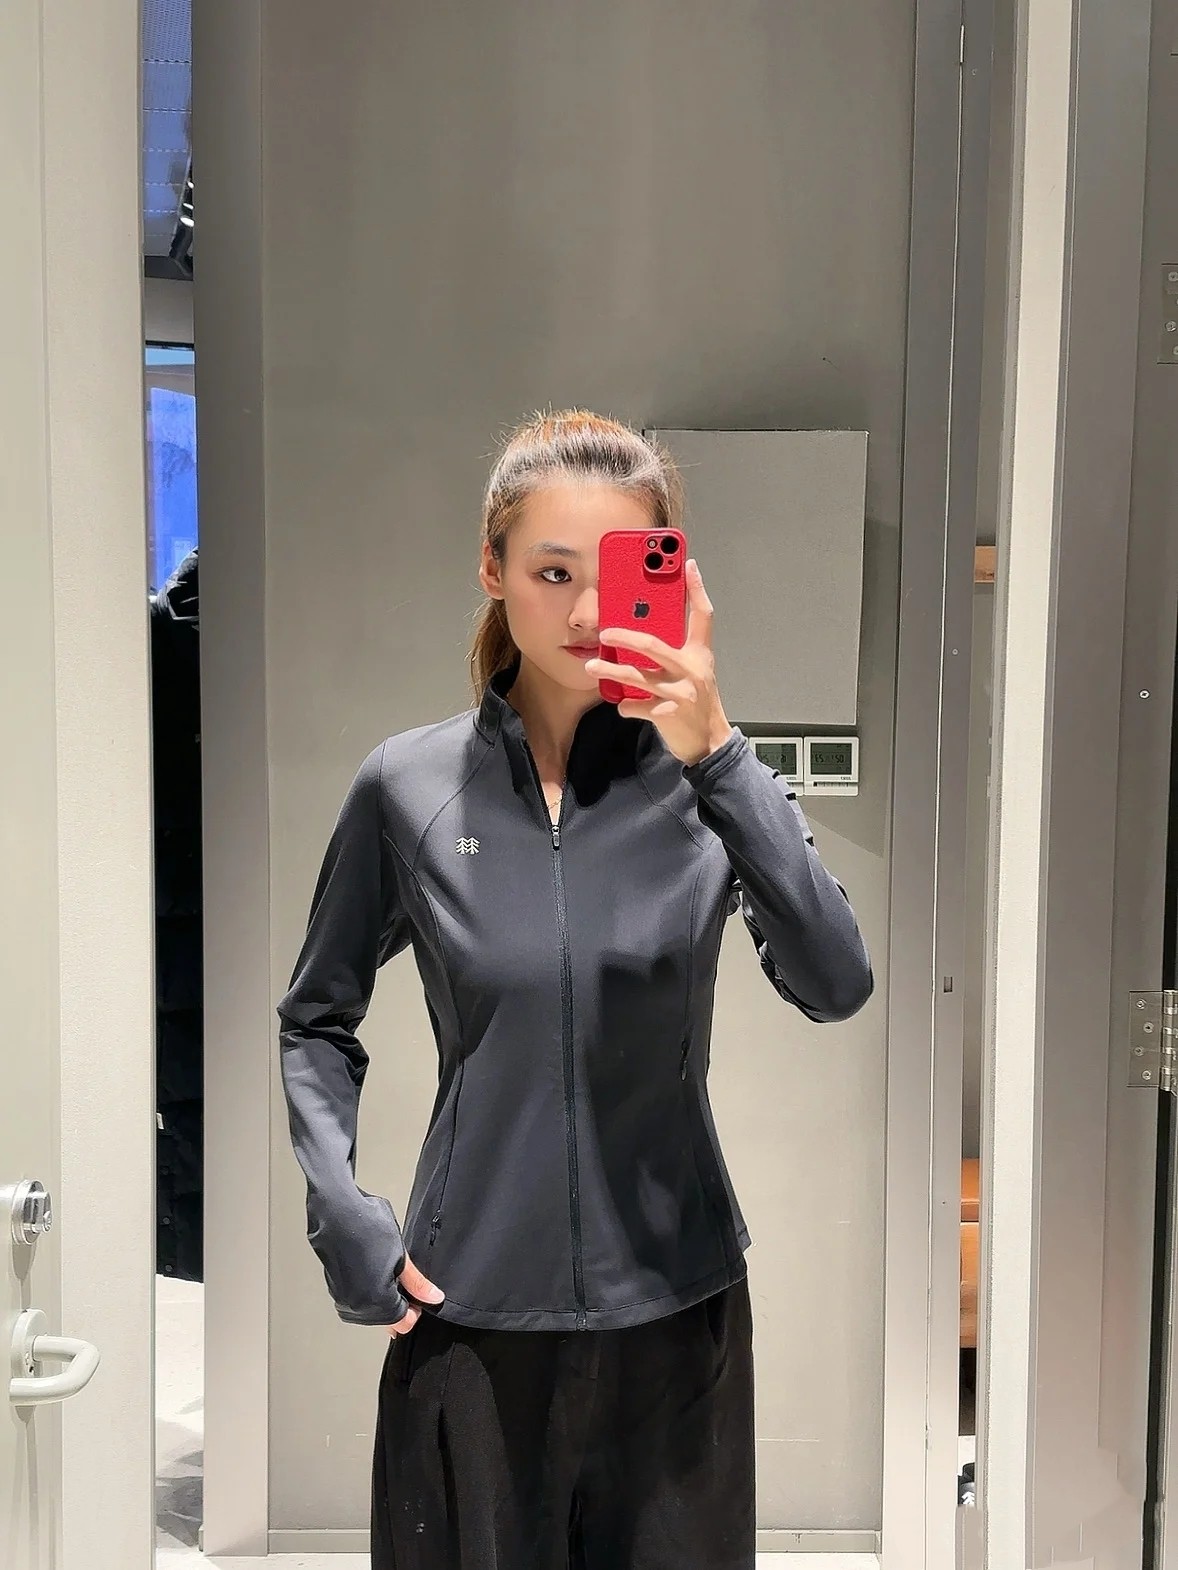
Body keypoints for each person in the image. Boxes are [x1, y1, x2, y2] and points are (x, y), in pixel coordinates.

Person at [276, 409, 874, 1569]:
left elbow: (833, 979)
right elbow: (315, 1016)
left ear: (671, 581)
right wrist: (338, 1206)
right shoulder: (407, 787)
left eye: (616, 572)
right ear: (491, 570)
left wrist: (716, 749)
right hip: (467, 1315)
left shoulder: (705, 785)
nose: (588, 611)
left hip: (676, 1315)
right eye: (552, 572)